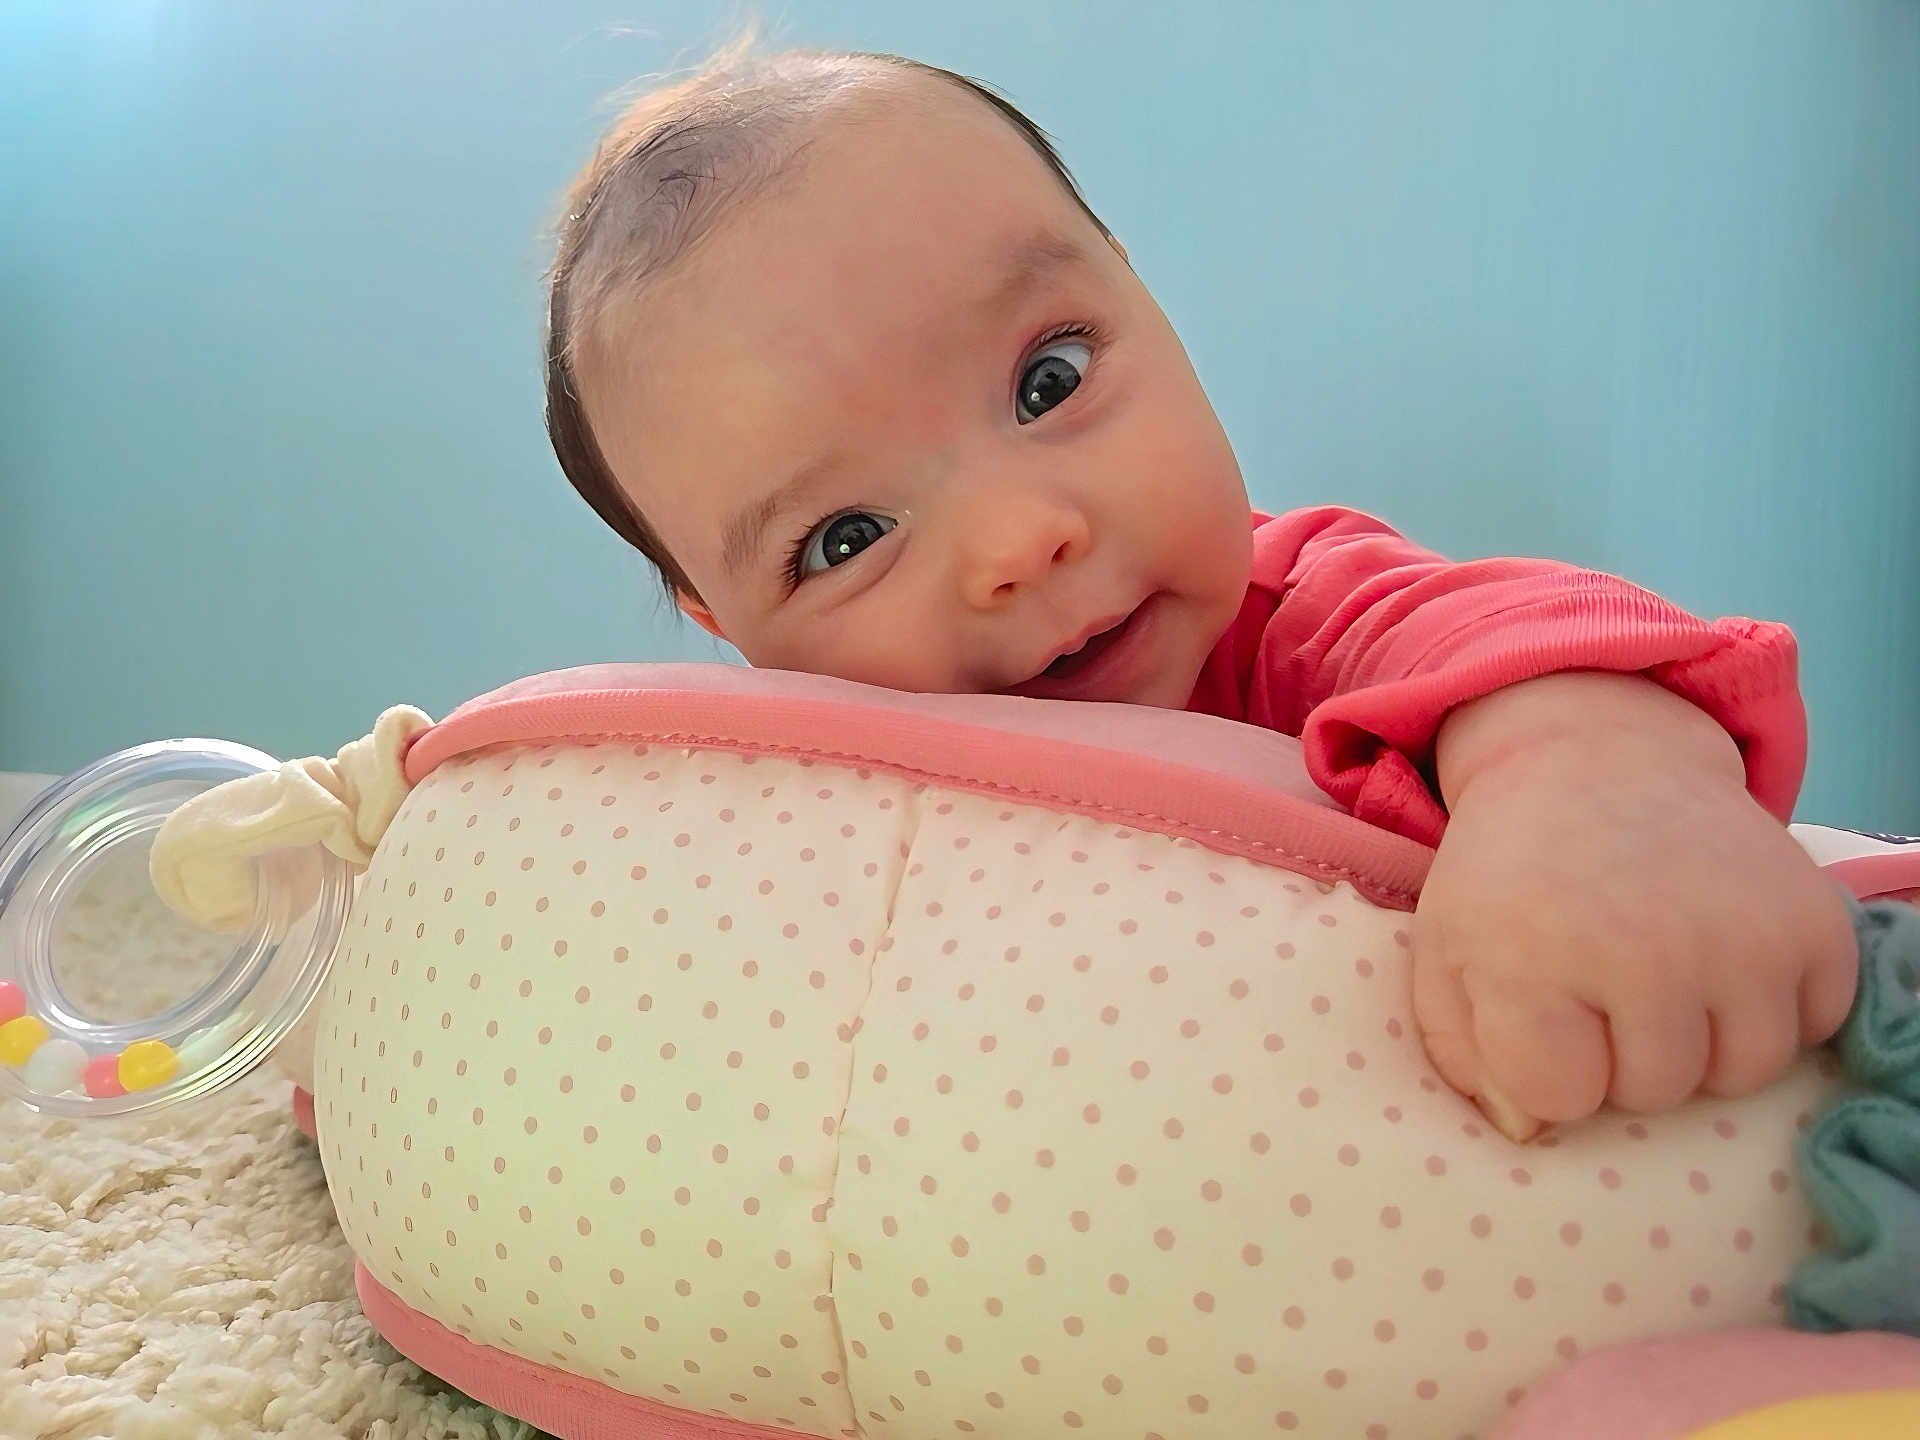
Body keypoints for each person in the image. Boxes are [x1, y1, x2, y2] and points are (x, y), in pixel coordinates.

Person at [540, 39, 1858, 1140]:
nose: (1017, 541)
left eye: (1048, 380)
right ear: (734, 636)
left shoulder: (1292, 614)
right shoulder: (816, 810)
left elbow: (1529, 640)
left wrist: (1591, 783)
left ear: (1139, 290)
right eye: (847, 537)